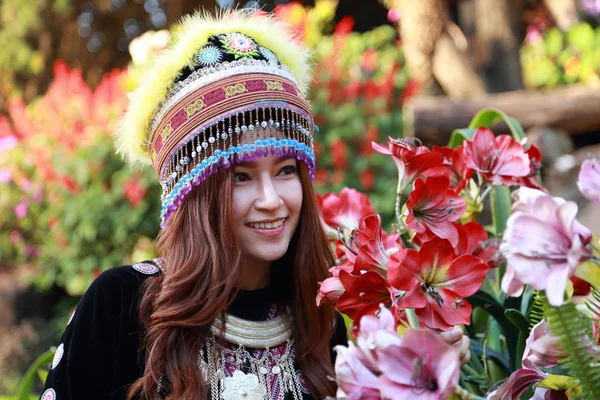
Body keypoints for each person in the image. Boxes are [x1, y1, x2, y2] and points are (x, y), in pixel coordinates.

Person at [41, 10, 470, 400]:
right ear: (193, 192)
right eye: (241, 177)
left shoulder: (319, 316)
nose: (271, 200)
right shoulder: (121, 305)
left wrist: (423, 364)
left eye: (286, 171)